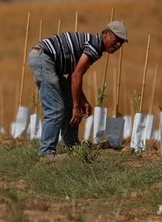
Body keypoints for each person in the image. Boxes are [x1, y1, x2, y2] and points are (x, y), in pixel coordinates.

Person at [27, 21, 128, 157]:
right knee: (55, 109)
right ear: (105, 34)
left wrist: (82, 100)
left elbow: (72, 78)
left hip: (46, 60)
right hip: (43, 58)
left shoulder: (94, 46)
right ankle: (46, 153)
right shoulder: (94, 46)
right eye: (117, 40)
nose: (118, 45)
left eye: (121, 43)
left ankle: (72, 145)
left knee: (68, 101)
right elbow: (76, 75)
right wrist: (77, 106)